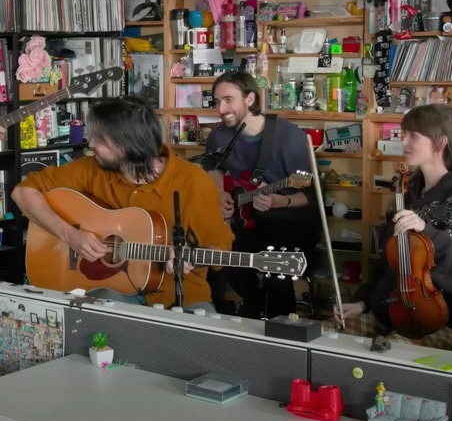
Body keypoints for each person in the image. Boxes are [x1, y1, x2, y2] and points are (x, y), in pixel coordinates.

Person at [11, 97, 234, 311]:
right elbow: (23, 192)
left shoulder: (193, 182)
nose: (92, 144)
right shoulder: (92, 168)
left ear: (126, 146)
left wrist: (191, 255)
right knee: (92, 318)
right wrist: (69, 234)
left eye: (101, 139)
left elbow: (219, 247)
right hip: (112, 293)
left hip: (184, 299)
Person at [334, 104, 452, 352]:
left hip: (439, 321)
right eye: (403, 134)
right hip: (393, 312)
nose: (404, 142)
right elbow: (390, 263)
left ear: (440, 143)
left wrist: (427, 231)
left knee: (393, 355)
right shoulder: (410, 189)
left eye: (413, 135)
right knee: (329, 337)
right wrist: (363, 302)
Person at [202, 70, 320, 319]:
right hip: (241, 221)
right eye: (217, 101)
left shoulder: (290, 137)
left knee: (275, 273)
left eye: (228, 100)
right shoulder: (218, 136)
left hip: (287, 222)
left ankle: (280, 328)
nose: (220, 108)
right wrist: (219, 193)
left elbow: (312, 195)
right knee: (215, 261)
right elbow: (213, 169)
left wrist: (282, 200)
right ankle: (231, 320)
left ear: (250, 99)